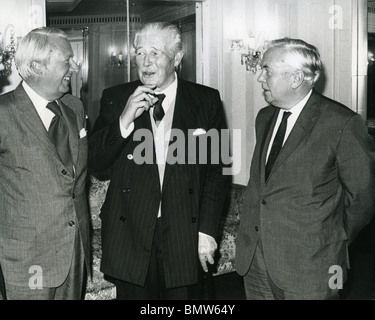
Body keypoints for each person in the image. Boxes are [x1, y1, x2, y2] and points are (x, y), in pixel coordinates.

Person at [88, 22, 230, 300]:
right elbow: (96, 162)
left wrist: (208, 231)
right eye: (140, 53)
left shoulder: (207, 100)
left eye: (155, 53)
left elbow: (217, 171)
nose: (146, 62)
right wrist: (124, 120)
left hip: (183, 230)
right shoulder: (116, 98)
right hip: (130, 230)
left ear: (177, 58)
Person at [235, 37, 375, 300]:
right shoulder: (264, 117)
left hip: (313, 264)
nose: (260, 78)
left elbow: (363, 197)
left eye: (267, 70)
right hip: (256, 259)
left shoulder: (342, 123)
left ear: (296, 78)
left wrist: (331, 235)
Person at [0, 27, 91, 300]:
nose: (74, 67)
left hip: (74, 253)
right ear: (38, 66)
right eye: (67, 60)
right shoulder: (3, 113)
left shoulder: (75, 107)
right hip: (26, 259)